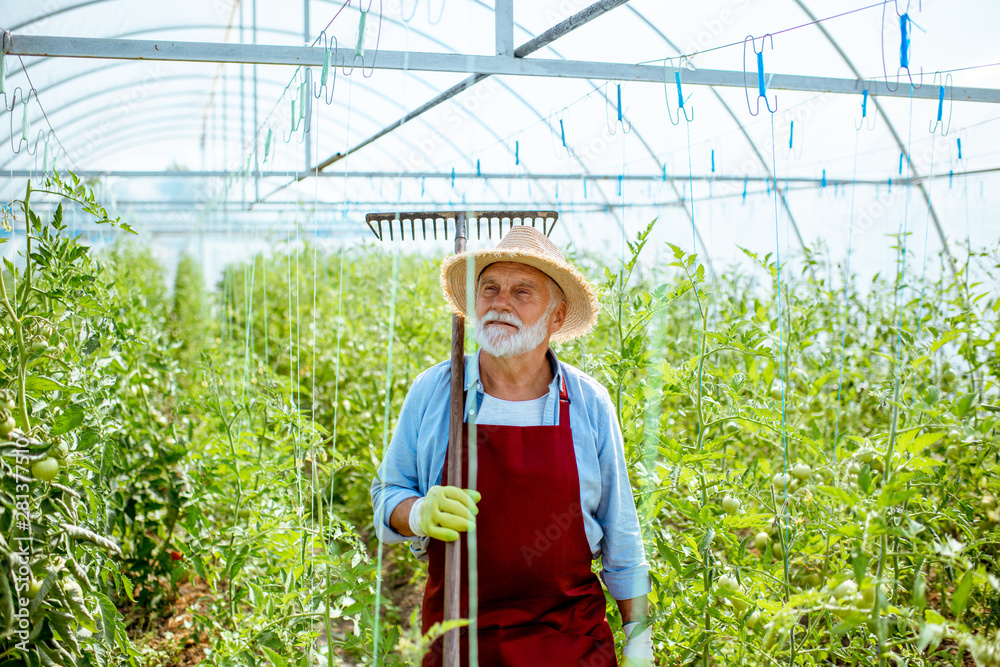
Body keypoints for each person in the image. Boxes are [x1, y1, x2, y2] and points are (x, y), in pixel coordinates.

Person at [371, 226, 653, 666]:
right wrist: (419, 513)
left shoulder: (587, 402)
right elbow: (386, 498)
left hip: (569, 642)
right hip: (458, 643)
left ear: (557, 317)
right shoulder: (436, 391)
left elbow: (621, 533)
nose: (501, 302)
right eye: (490, 288)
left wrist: (638, 637)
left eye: (522, 291)